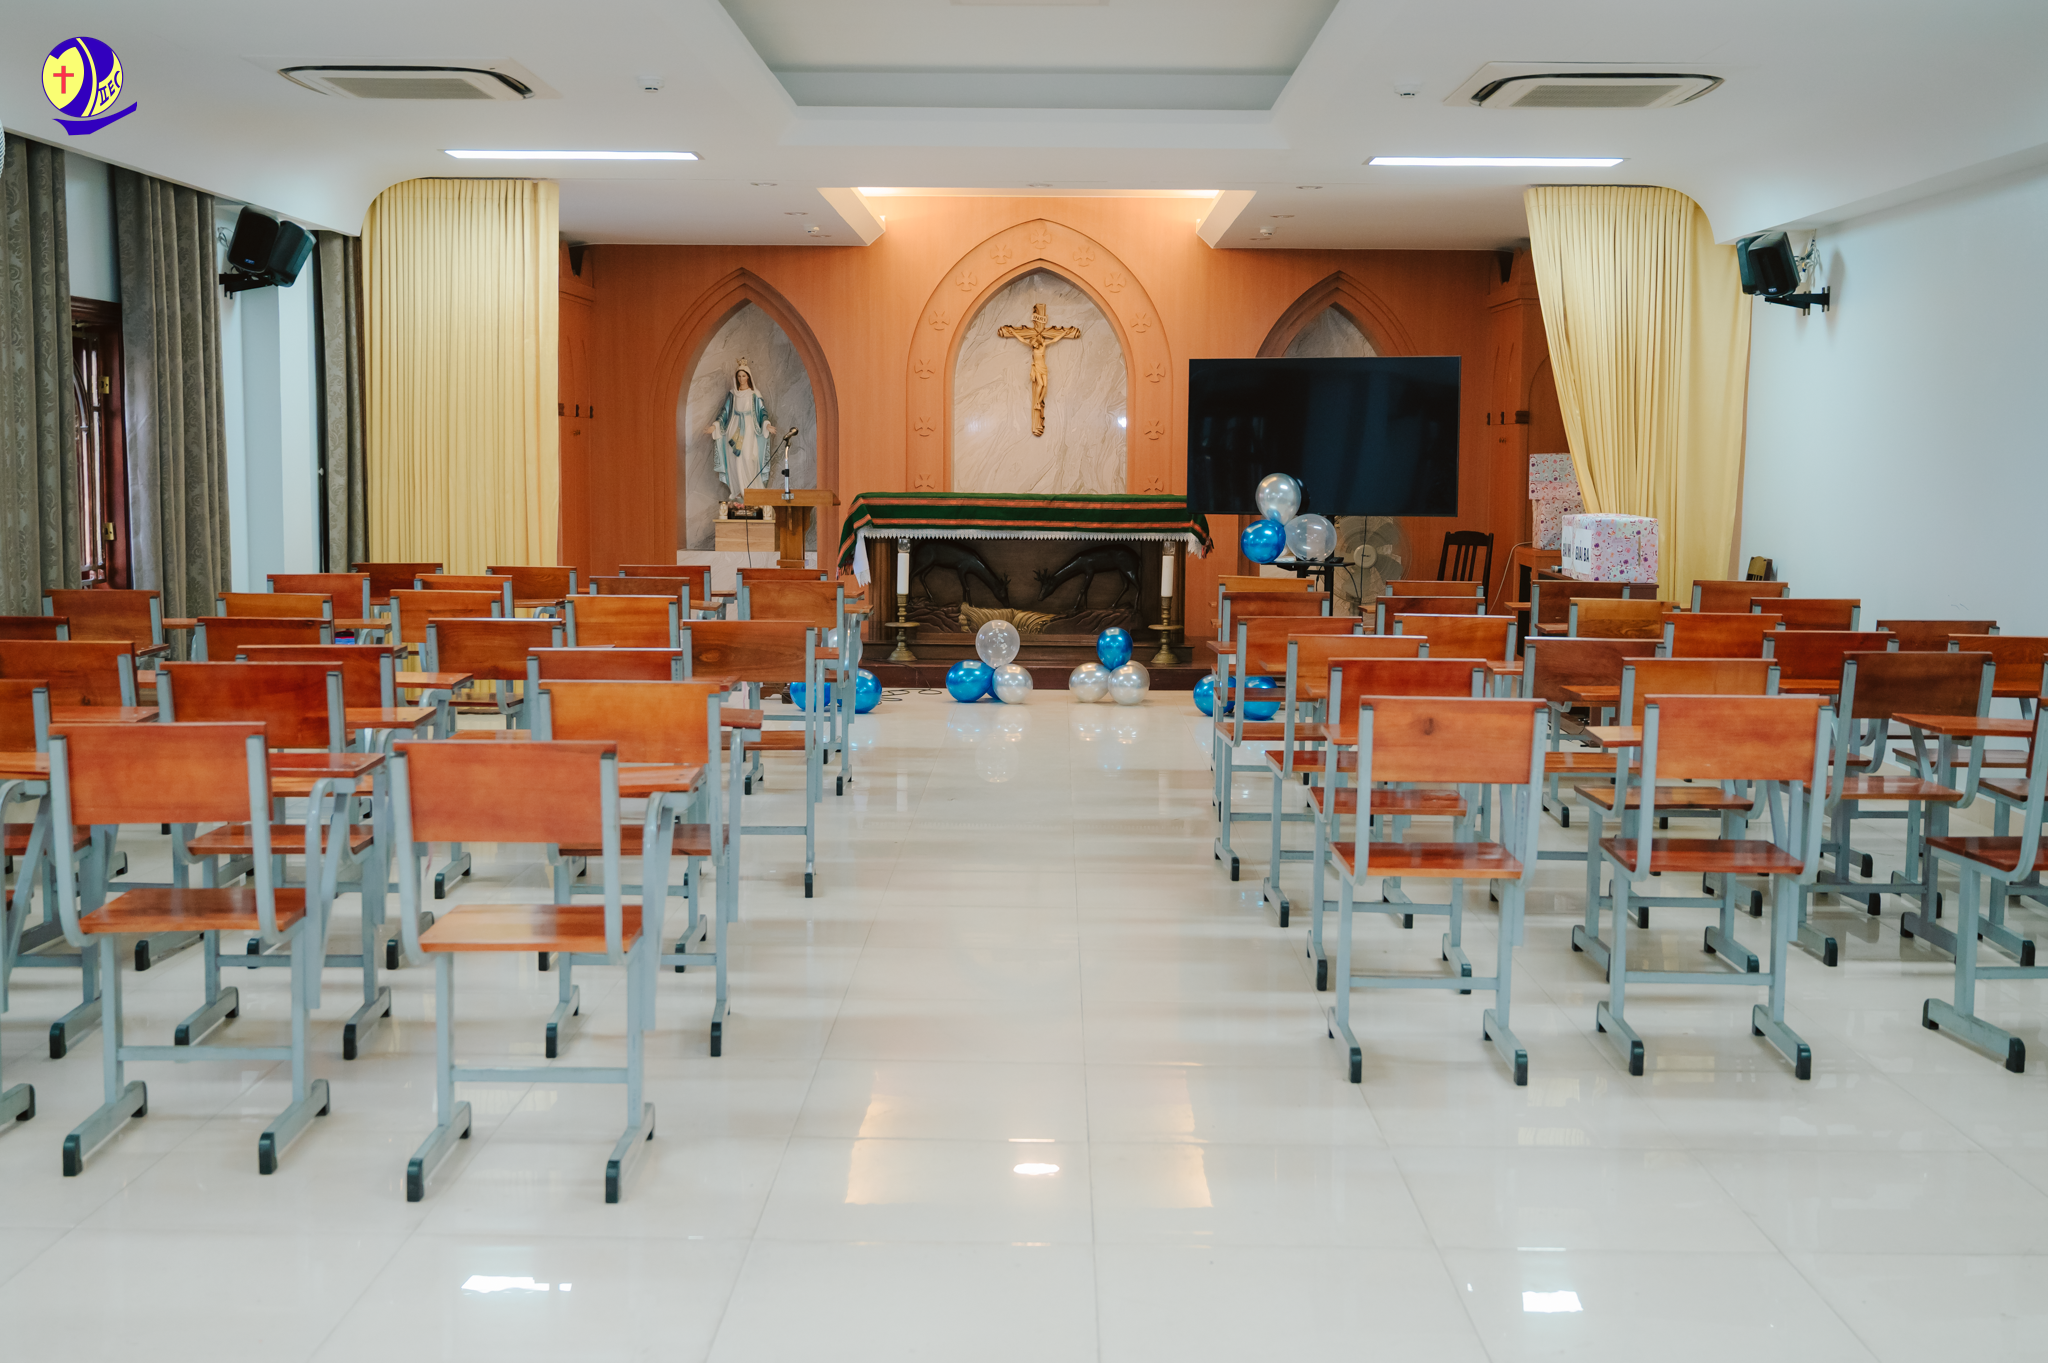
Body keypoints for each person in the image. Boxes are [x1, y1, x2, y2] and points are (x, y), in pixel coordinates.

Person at [708, 359, 776, 507]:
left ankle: (750, 493)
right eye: (739, 376)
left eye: (744, 376)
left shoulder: (754, 394)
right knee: (735, 460)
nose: (741, 379)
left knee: (748, 458)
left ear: (748, 377)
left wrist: (767, 425)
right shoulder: (733, 394)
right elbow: (725, 412)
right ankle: (738, 493)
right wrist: (715, 425)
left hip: (750, 429)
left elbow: (762, 412)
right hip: (734, 428)